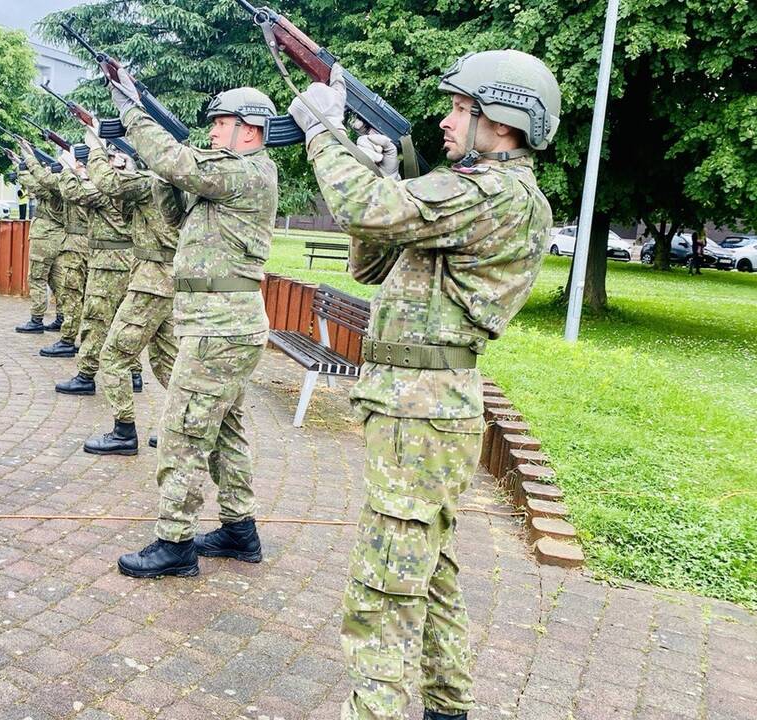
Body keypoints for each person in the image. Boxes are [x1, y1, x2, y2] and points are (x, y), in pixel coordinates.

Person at [287, 51, 561, 719]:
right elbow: (372, 256)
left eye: (463, 109)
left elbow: (365, 205)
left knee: (380, 592)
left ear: (505, 123)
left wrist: (324, 132)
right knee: (428, 569)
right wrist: (383, 171)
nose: (445, 121)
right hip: (415, 409)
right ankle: (448, 703)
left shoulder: (494, 194)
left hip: (423, 414)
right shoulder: (470, 191)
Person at [105, 77, 279, 578]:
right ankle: (238, 530)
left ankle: (174, 542)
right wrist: (166, 174)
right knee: (226, 431)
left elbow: (175, 160)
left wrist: (132, 110)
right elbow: (173, 202)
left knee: (182, 431)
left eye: (222, 123)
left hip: (219, 328)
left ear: (250, 130)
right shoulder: (227, 178)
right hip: (220, 324)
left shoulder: (245, 172)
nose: (213, 133)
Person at [81, 130, 179, 456]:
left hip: (151, 282)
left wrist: (95, 146)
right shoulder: (175, 180)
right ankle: (184, 430)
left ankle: (123, 431)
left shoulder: (151, 182)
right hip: (171, 280)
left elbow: (107, 184)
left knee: (113, 356)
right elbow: (130, 216)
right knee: (168, 363)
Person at [53, 146, 143, 397]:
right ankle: (134, 373)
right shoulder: (132, 184)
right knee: (124, 320)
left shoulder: (107, 189)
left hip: (108, 263)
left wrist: (70, 168)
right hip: (126, 259)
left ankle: (86, 375)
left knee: (96, 319)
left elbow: (72, 192)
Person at [7, 141, 66, 334]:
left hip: (44, 236)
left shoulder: (53, 186)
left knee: (37, 277)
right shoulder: (67, 184)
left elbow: (35, 184)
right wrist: (19, 161)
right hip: (58, 237)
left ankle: (37, 319)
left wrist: (21, 166)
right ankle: (62, 318)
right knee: (57, 280)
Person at [39, 152, 92, 358]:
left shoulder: (83, 185)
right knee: (86, 295)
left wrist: (69, 169)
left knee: (72, 293)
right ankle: (85, 341)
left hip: (77, 244)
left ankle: (68, 339)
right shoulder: (96, 183)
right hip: (88, 245)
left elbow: (62, 188)